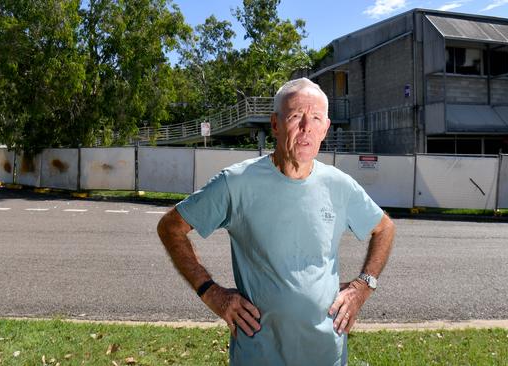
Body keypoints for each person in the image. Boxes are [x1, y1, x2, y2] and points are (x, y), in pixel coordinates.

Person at [157, 78, 395, 365]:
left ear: (325, 129)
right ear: (275, 124)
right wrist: (211, 293)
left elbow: (384, 228)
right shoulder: (237, 183)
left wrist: (363, 286)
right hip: (259, 355)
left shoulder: (339, 185)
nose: (307, 127)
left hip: (326, 354)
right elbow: (171, 227)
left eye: (316, 118)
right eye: (296, 116)